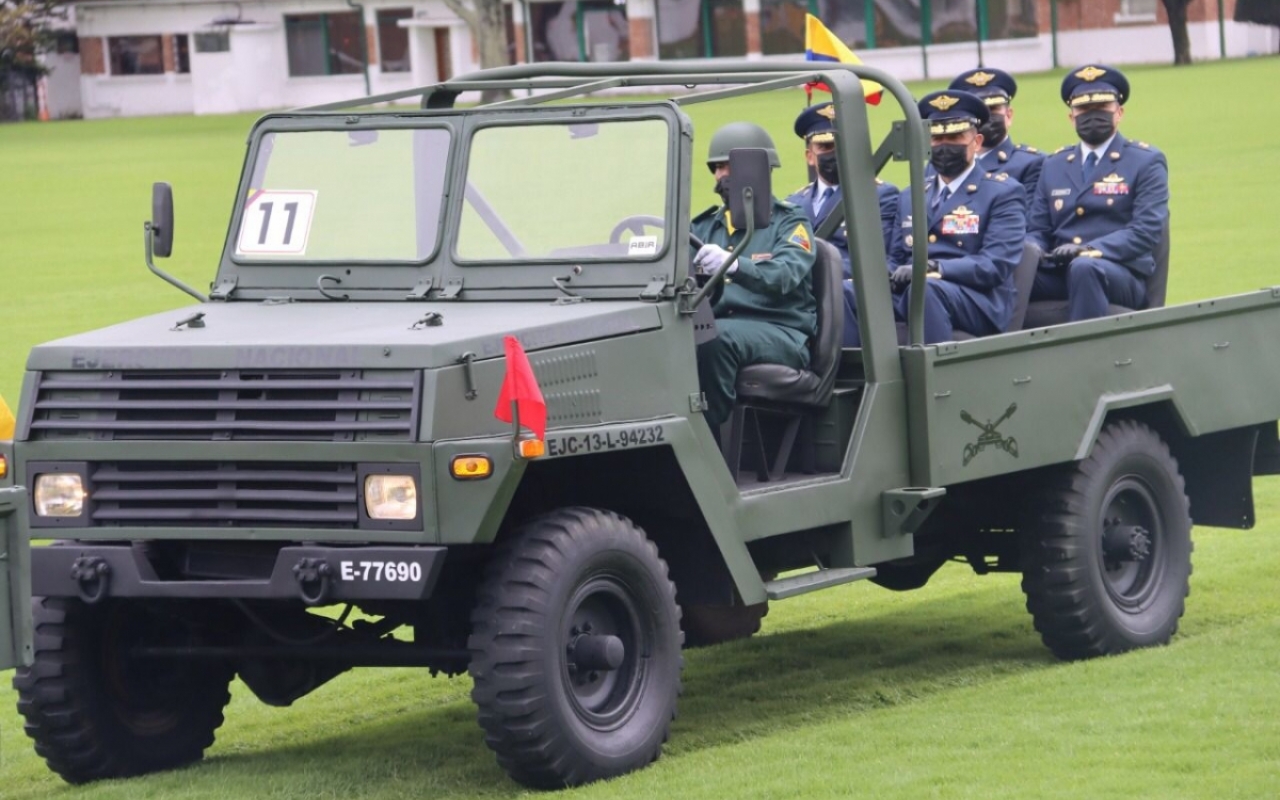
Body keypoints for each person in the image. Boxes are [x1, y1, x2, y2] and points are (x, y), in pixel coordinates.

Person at [842, 90, 1026, 346]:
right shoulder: (912, 195)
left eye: (955, 137)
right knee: (849, 292)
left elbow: (994, 265)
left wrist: (935, 268)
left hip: (978, 299)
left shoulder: (1002, 193)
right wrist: (881, 275)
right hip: (915, 291)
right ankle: (859, 377)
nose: (944, 146)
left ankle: (933, 382)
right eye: (937, 139)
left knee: (927, 290)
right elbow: (895, 257)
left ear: (976, 141)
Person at [691, 122, 818, 428]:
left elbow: (785, 274)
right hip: (721, 323)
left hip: (780, 329)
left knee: (715, 338)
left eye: (730, 166)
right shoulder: (704, 226)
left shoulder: (789, 223)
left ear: (758, 170)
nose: (722, 175)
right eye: (717, 168)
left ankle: (708, 437)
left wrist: (734, 265)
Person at [1027, 64, 1169, 321]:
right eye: (1083, 109)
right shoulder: (1054, 164)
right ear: (1071, 117)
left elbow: (1145, 232)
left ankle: (1085, 357)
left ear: (1119, 113)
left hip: (1120, 272)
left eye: (1102, 108)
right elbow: (1038, 229)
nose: (1093, 116)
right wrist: (1033, 250)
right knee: (1016, 269)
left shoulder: (1145, 161)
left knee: (1084, 267)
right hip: (1061, 269)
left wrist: (1089, 249)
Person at [785, 102, 900, 271]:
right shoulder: (794, 203)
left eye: (842, 145)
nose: (835, 153)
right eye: (825, 147)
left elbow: (881, 262)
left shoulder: (879, 195)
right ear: (810, 156)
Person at [948, 68, 1044, 189]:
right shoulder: (942, 165)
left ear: (1009, 115)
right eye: (977, 112)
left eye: (993, 109)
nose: (986, 117)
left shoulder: (1031, 163)